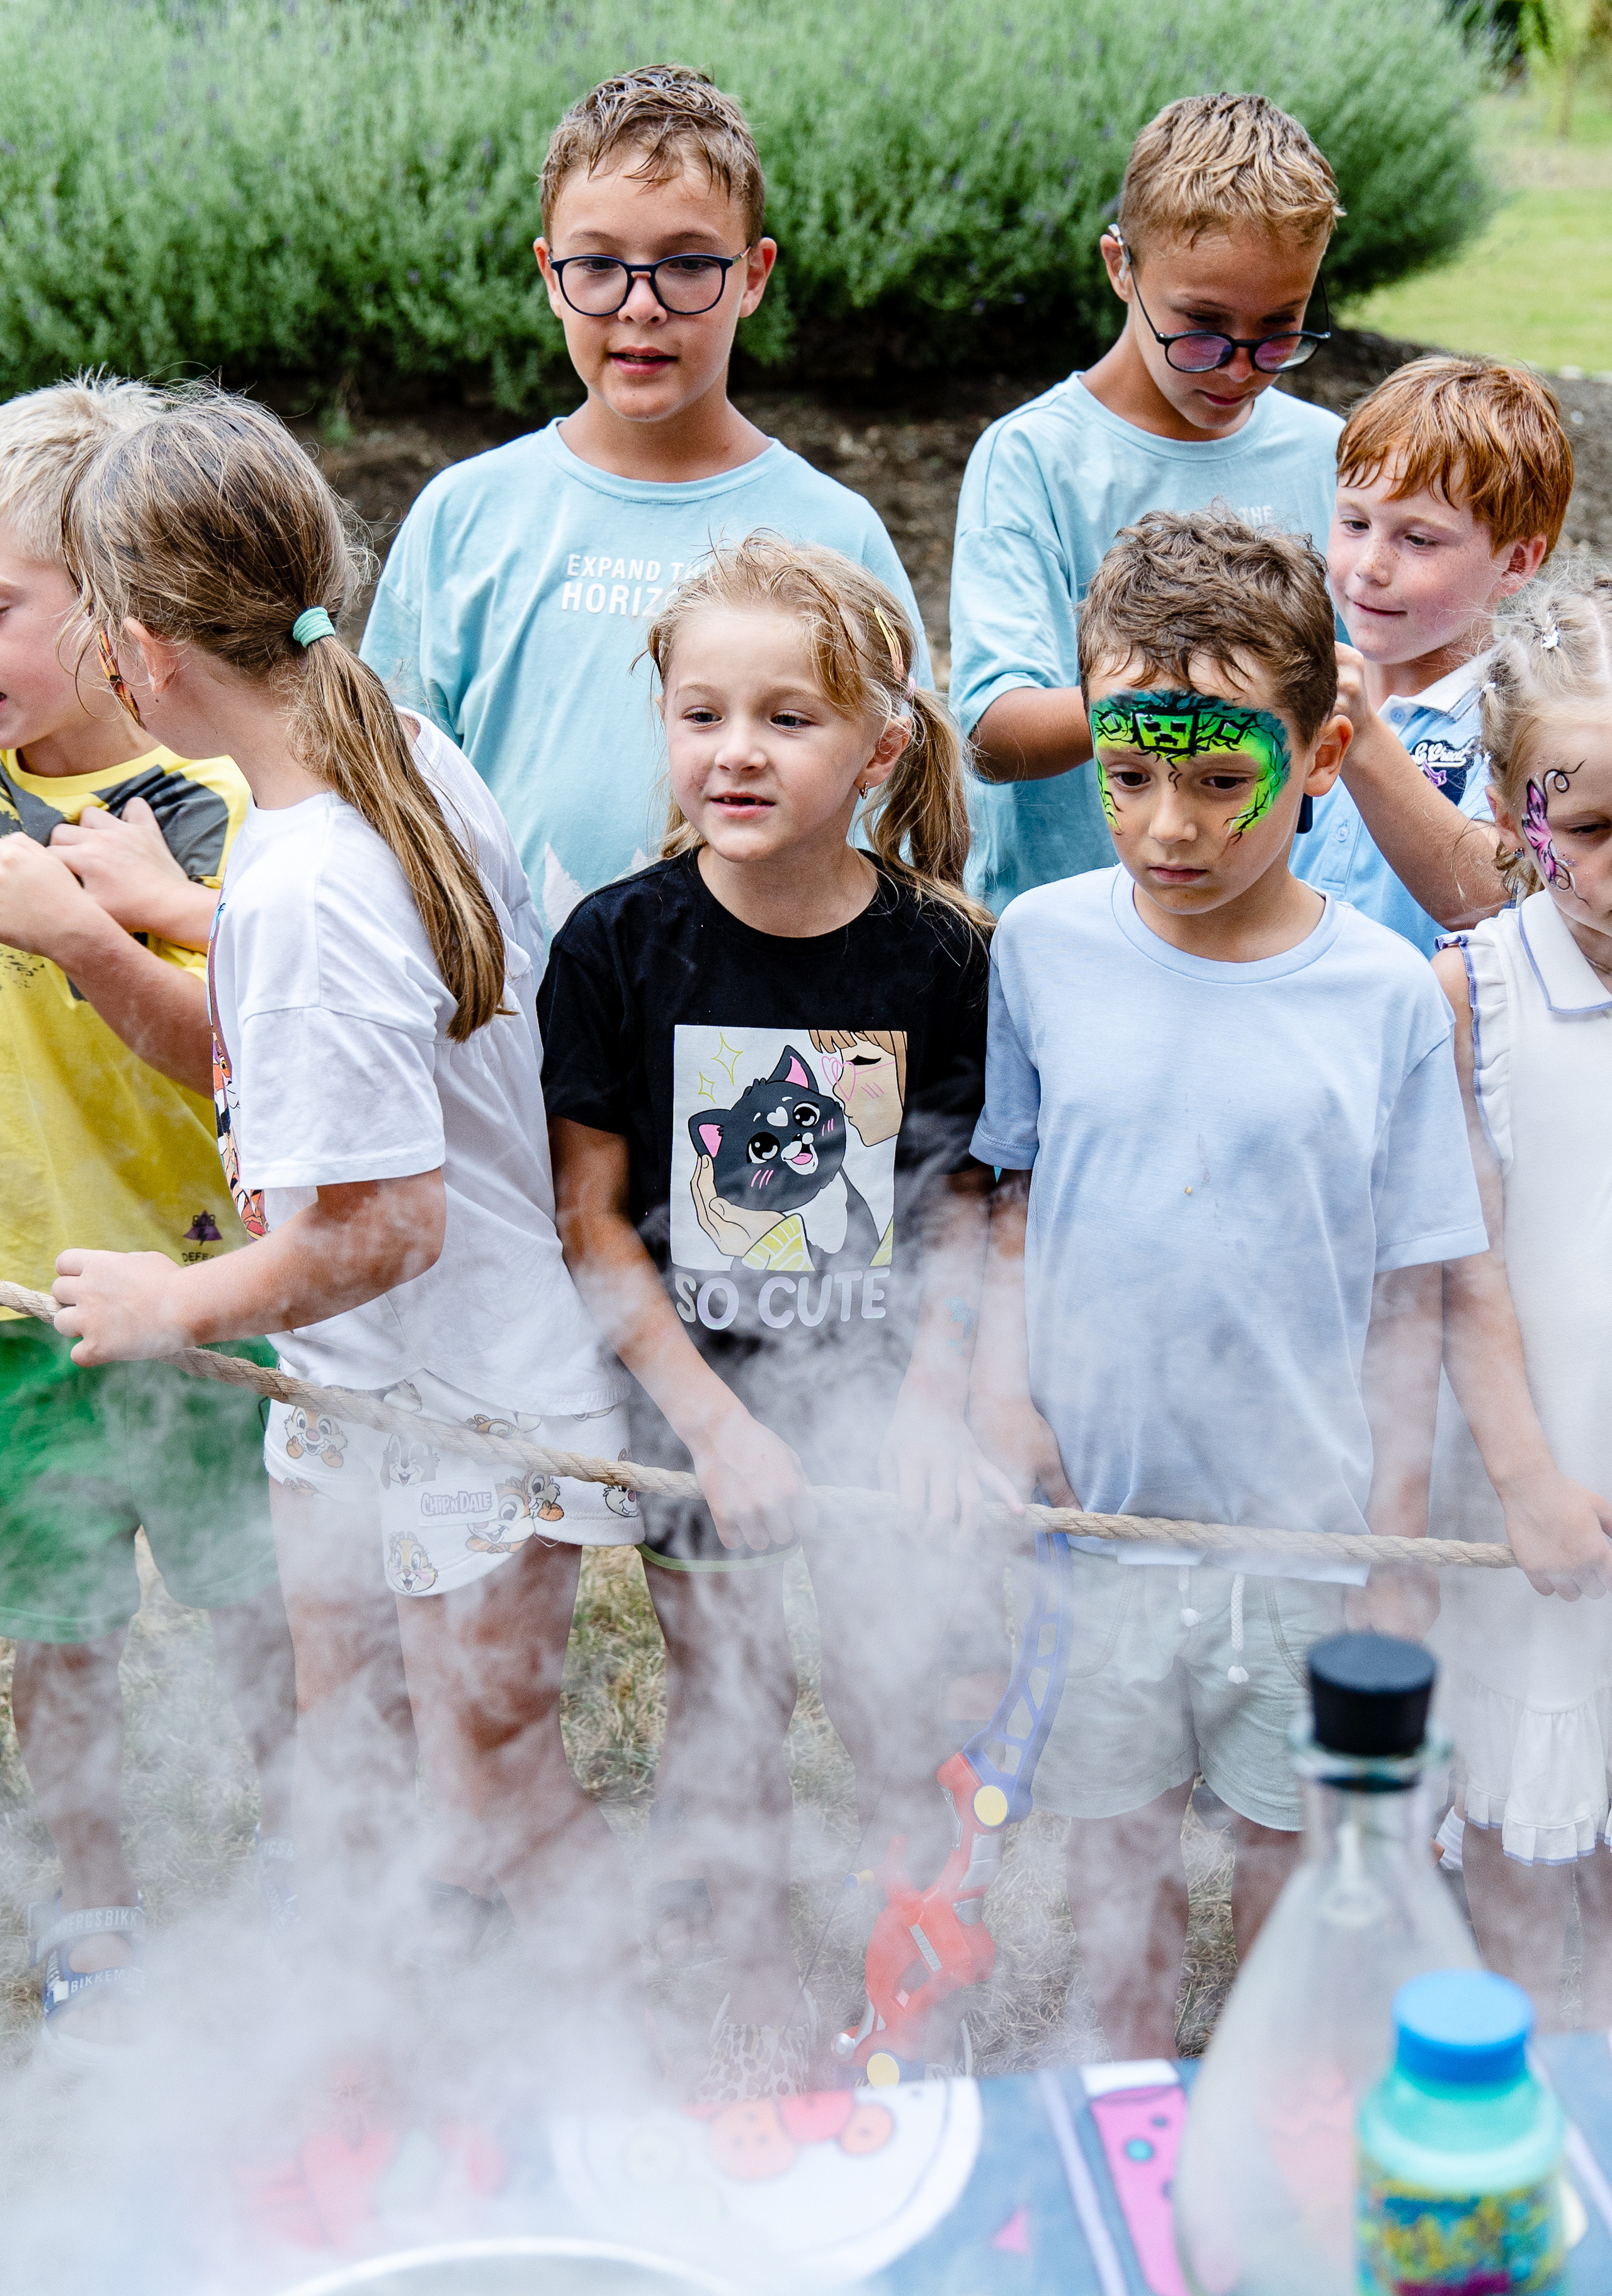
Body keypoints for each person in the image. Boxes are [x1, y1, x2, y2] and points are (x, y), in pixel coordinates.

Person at [49, 385, 648, 2048]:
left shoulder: (313, 875)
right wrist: (156, 924)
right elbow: (288, 1041)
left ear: (142, 652)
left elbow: (389, 1227)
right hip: (367, 1394)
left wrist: (166, 1302)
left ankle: (646, 2093)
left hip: (456, 1385)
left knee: (493, 1782)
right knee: (352, 1750)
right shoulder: (375, 744)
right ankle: (368, 2074)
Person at [967, 509, 1487, 2060]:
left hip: (1305, 1537)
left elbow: (1409, 1290)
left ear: (1320, 753)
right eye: (1125, 772)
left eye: (1215, 777)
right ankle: (1124, 2094)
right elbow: (1008, 1194)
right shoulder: (1041, 947)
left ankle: (1269, 2099)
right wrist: (1000, 1388)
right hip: (1103, 1521)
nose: (1164, 825)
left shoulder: (1385, 993)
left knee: (1286, 1877)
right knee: (1112, 1864)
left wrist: (1389, 1539)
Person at [537, 535, 1017, 2096]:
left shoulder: (942, 955)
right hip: (701, 1415)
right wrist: (716, 1423)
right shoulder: (616, 942)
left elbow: (961, 1208)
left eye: (787, 716)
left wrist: (936, 1400)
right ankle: (743, 1998)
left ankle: (910, 1973)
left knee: (896, 1698)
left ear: (878, 744)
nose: (734, 748)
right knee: (727, 1696)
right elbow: (592, 1218)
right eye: (701, 711)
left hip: (880, 1412)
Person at [0, 376, 297, 2064]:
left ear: (115, 609)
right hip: (23, 1309)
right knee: (54, 1626)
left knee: (258, 1605)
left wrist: (84, 935)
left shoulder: (222, 813)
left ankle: (317, 1872)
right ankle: (94, 1908)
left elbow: (243, 1059)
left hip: (206, 1298)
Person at [361, 64, 928, 937]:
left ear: (753, 275)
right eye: (599, 266)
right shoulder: (464, 517)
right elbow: (390, 795)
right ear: (551, 275)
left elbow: (902, 808)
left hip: (766, 1033)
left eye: (688, 265)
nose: (640, 305)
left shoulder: (834, 529)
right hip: (515, 1036)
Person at [950, 91, 1344, 915]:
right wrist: (1192, 701)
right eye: (1200, 326)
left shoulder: (1327, 454)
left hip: (1269, 935)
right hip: (1067, 930)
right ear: (1120, 266)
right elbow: (994, 731)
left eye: (1280, 330)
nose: (1239, 367)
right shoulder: (1035, 459)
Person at [1426, 571, 1612, 2029]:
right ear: (1512, 812)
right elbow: (1460, 1277)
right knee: (1515, 1850)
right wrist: (1523, 1479)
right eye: (1591, 825)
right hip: (1537, 1506)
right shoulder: (1469, 994)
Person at [1304, 355, 1575, 952]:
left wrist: (1364, 737)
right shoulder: (1300, 686)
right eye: (1354, 524)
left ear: (1517, 562)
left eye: (1418, 539)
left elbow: (1494, 898)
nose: (1370, 568)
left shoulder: (1535, 723)